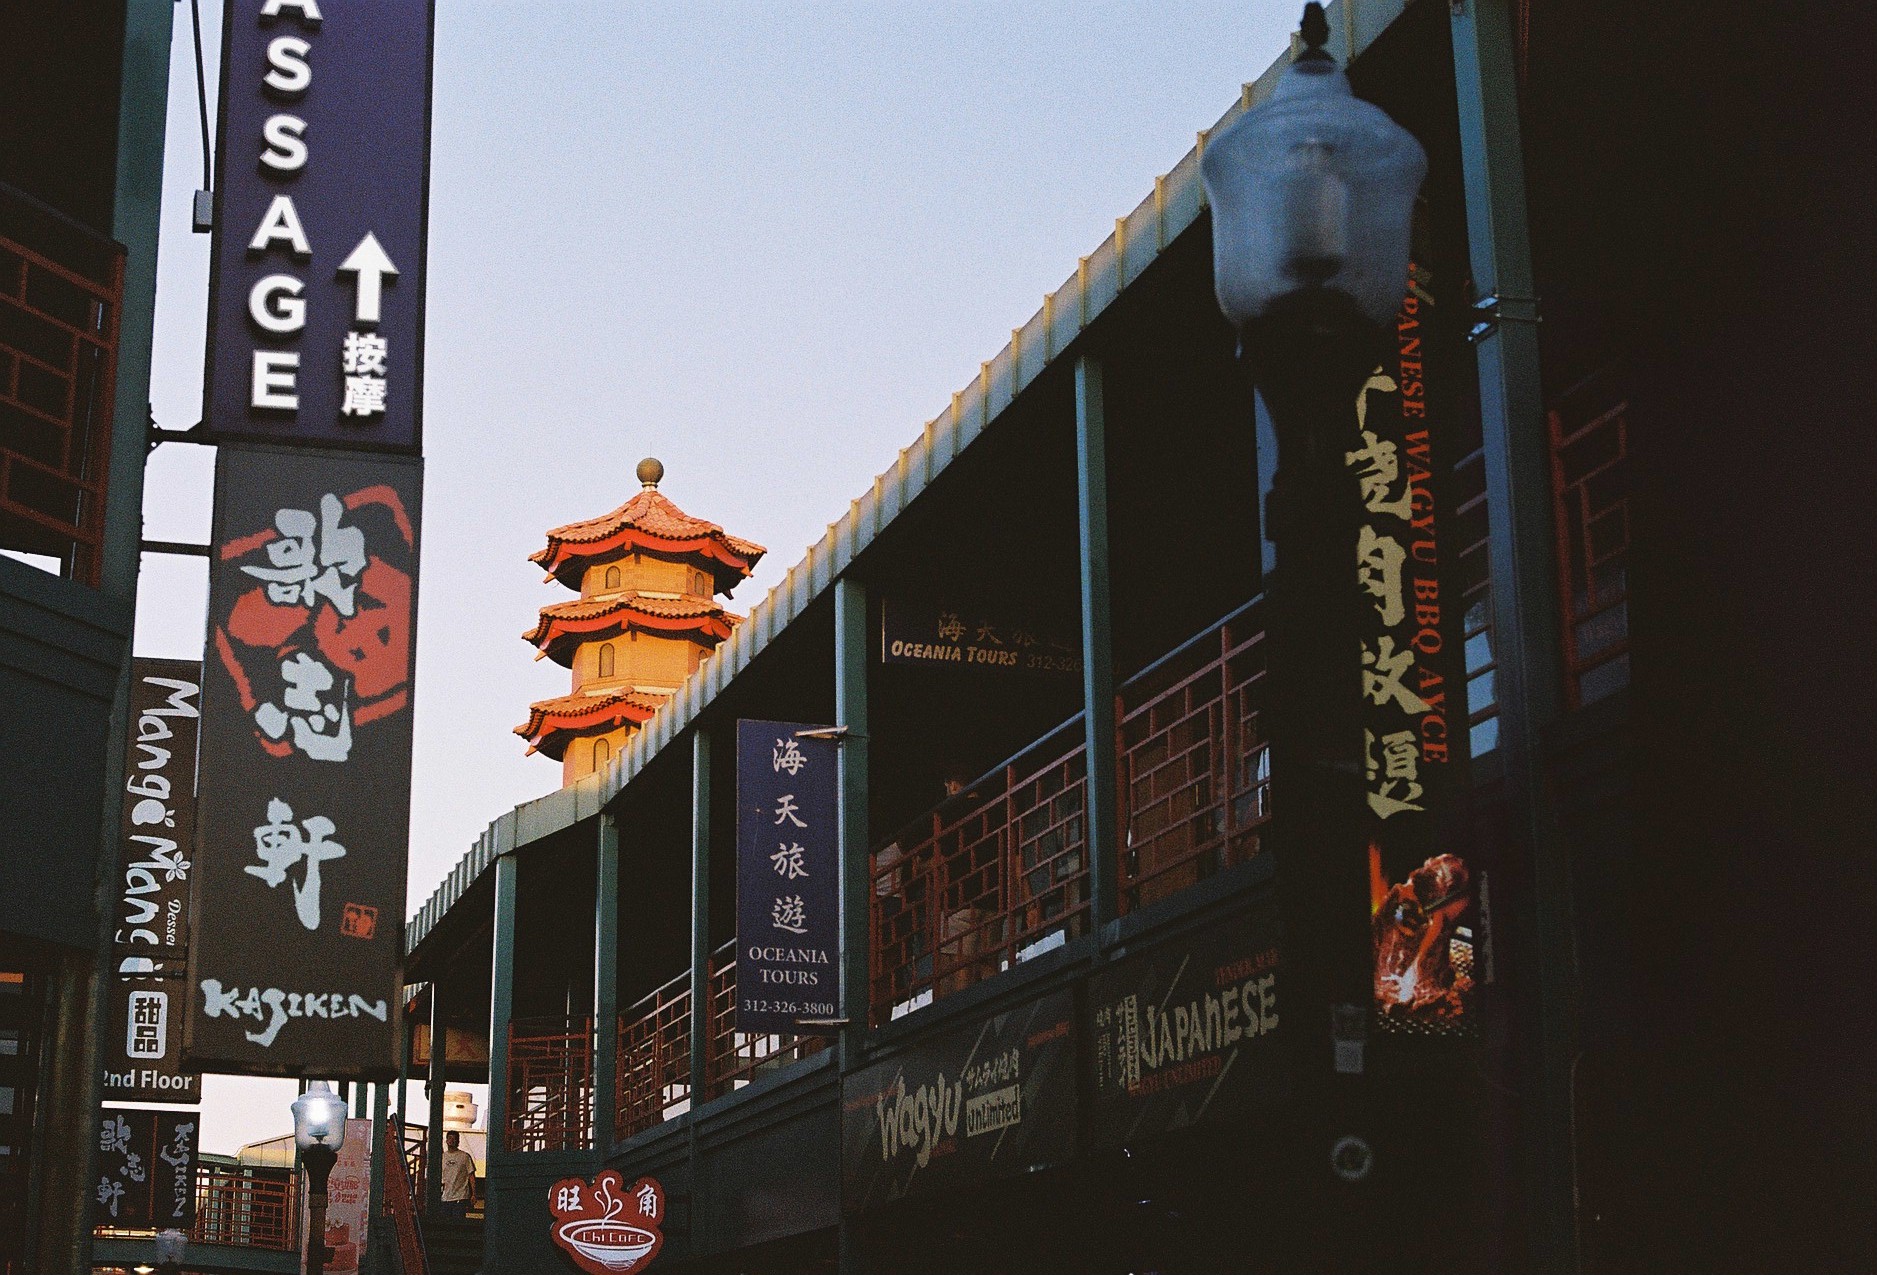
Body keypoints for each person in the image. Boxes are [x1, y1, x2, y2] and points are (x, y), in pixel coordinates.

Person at [438, 1130, 476, 1221]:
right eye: (450, 1138)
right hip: (445, 1197)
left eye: (454, 1139)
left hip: (460, 1196)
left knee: (458, 1222)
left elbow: (471, 1175)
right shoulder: (442, 1157)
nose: (452, 1140)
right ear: (446, 1140)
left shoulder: (465, 1156)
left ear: (458, 1141)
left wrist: (474, 1194)